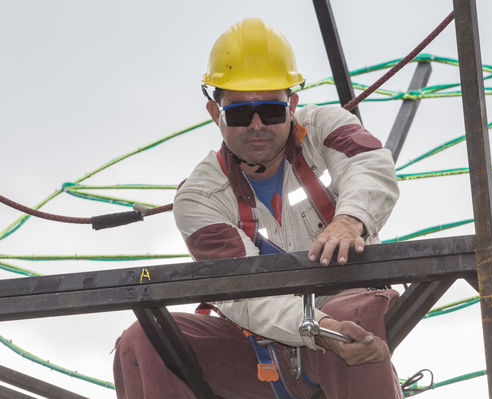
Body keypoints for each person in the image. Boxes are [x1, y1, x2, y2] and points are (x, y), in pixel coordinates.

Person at [113, 18, 402, 399]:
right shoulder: (198, 197)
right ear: (215, 114)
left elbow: (370, 165)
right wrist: (316, 327)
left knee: (354, 319)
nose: (255, 126)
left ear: (292, 105)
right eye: (237, 114)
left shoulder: (325, 127)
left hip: (348, 324)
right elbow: (238, 291)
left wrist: (349, 220)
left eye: (269, 111)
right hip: (257, 349)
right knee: (143, 340)